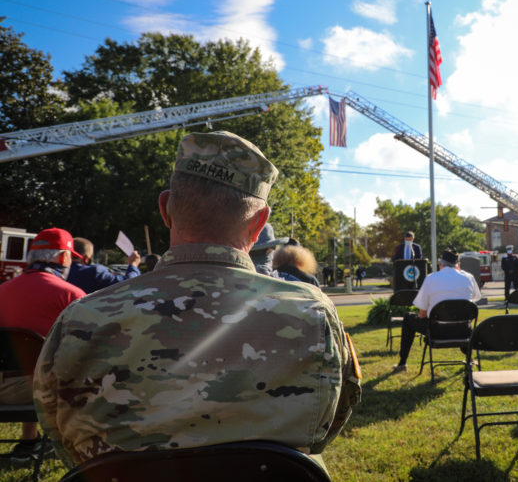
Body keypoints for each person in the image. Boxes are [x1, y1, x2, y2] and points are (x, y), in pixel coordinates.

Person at [34, 131, 360, 470]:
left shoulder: (81, 319)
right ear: (260, 222)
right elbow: (322, 431)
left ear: (165, 208)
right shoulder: (313, 313)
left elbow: (63, 440)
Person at [0, 227, 86, 462]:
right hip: (41, 391)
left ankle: (29, 441)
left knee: (34, 363)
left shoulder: (2, 290)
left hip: (7, 384)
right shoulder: (72, 295)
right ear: (63, 257)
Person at [392, 249, 481, 373]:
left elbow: (422, 314)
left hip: (437, 332)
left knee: (408, 318)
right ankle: (470, 360)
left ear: (440, 265)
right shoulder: (469, 278)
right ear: (458, 265)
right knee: (462, 319)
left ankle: (402, 363)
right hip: (464, 332)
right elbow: (473, 301)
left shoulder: (431, 278)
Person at [67, 237, 141, 294]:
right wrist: (133, 265)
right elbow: (128, 284)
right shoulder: (95, 272)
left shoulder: (58, 272)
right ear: (86, 259)